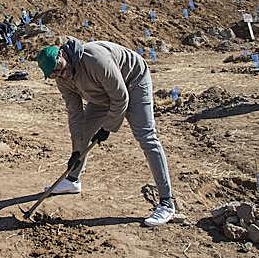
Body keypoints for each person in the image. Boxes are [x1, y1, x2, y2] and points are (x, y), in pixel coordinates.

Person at [36, 37, 175, 227]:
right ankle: (72, 180)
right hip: (102, 95)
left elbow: (121, 97)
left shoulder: (94, 59)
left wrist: (107, 127)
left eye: (59, 68)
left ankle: (167, 203)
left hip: (133, 83)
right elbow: (75, 116)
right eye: (54, 74)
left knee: (147, 138)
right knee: (83, 132)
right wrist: (77, 150)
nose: (60, 75)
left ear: (62, 54)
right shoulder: (62, 79)